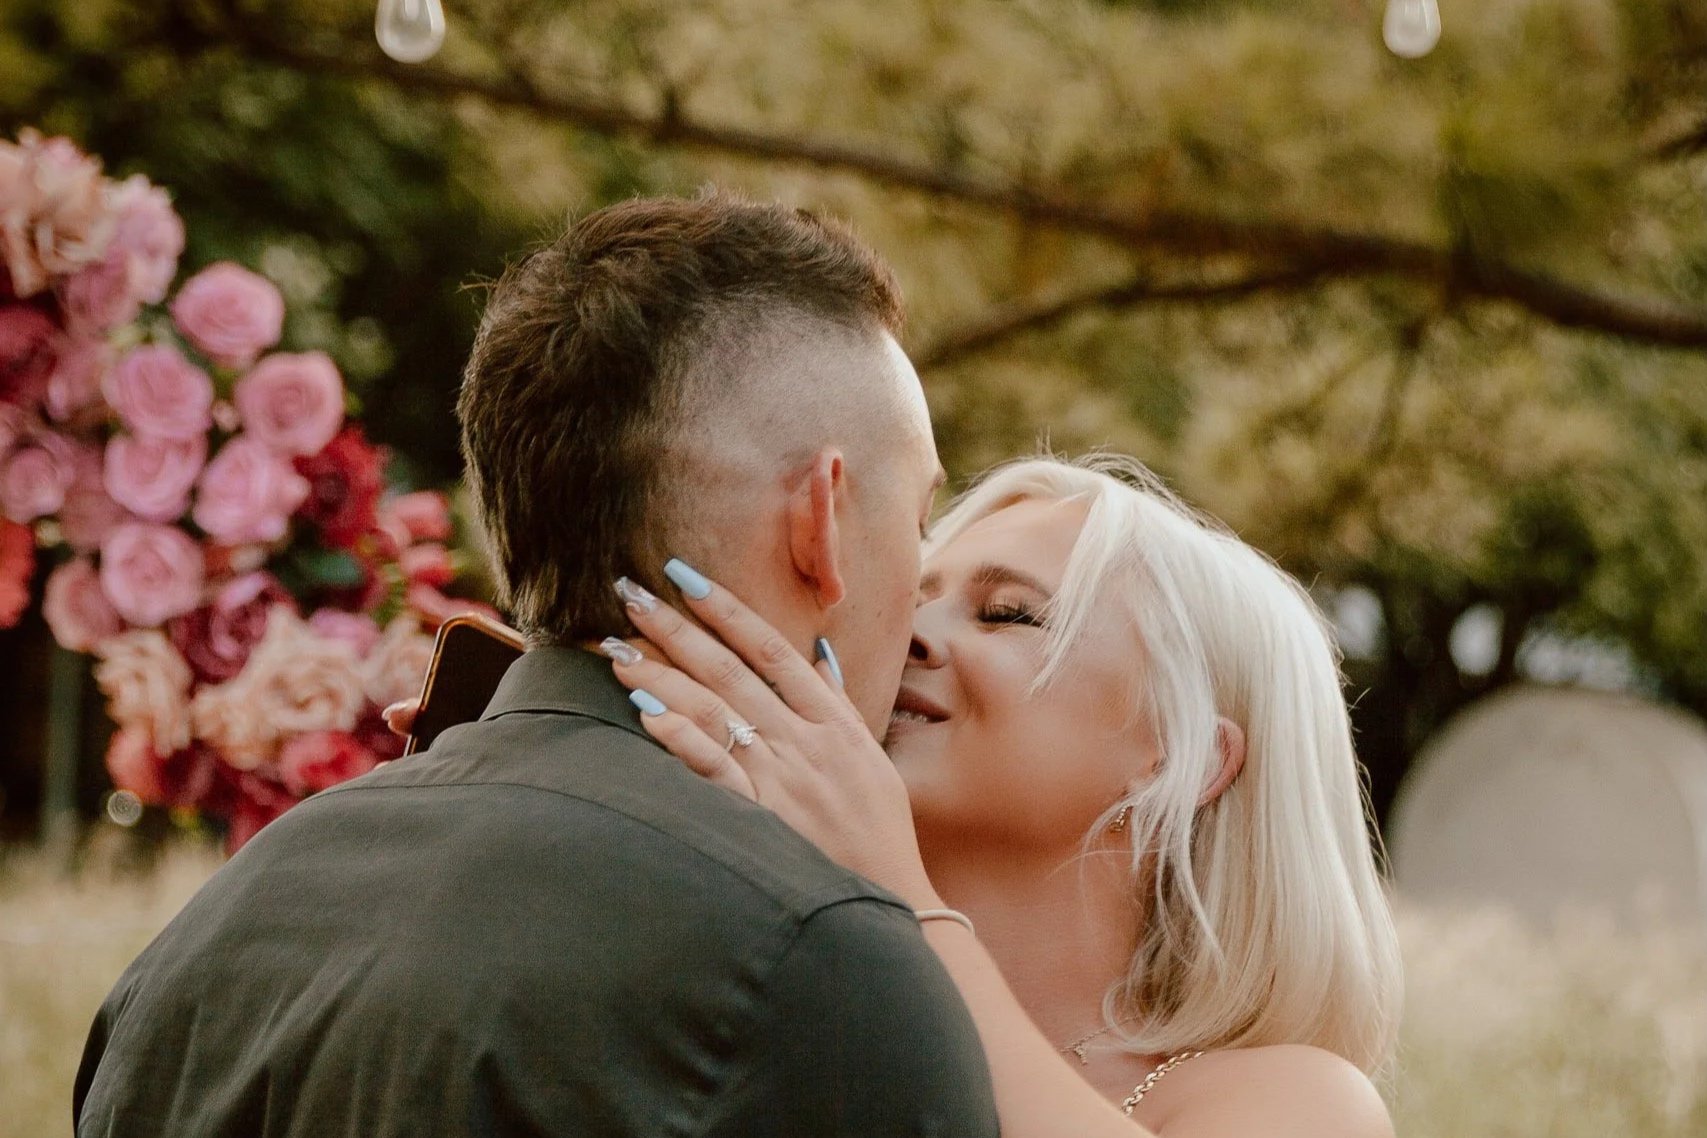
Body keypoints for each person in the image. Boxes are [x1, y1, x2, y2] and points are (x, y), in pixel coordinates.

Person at [73, 193, 998, 1136]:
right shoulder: (820, 964)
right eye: (919, 522)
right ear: (823, 519)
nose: (921, 599)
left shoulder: (209, 931)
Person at [595, 453, 1404, 1137]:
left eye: (1008, 614)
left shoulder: (1301, 1100)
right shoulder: (782, 1020)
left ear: (1179, 760)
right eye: (912, 597)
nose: (908, 633)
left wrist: (888, 884)